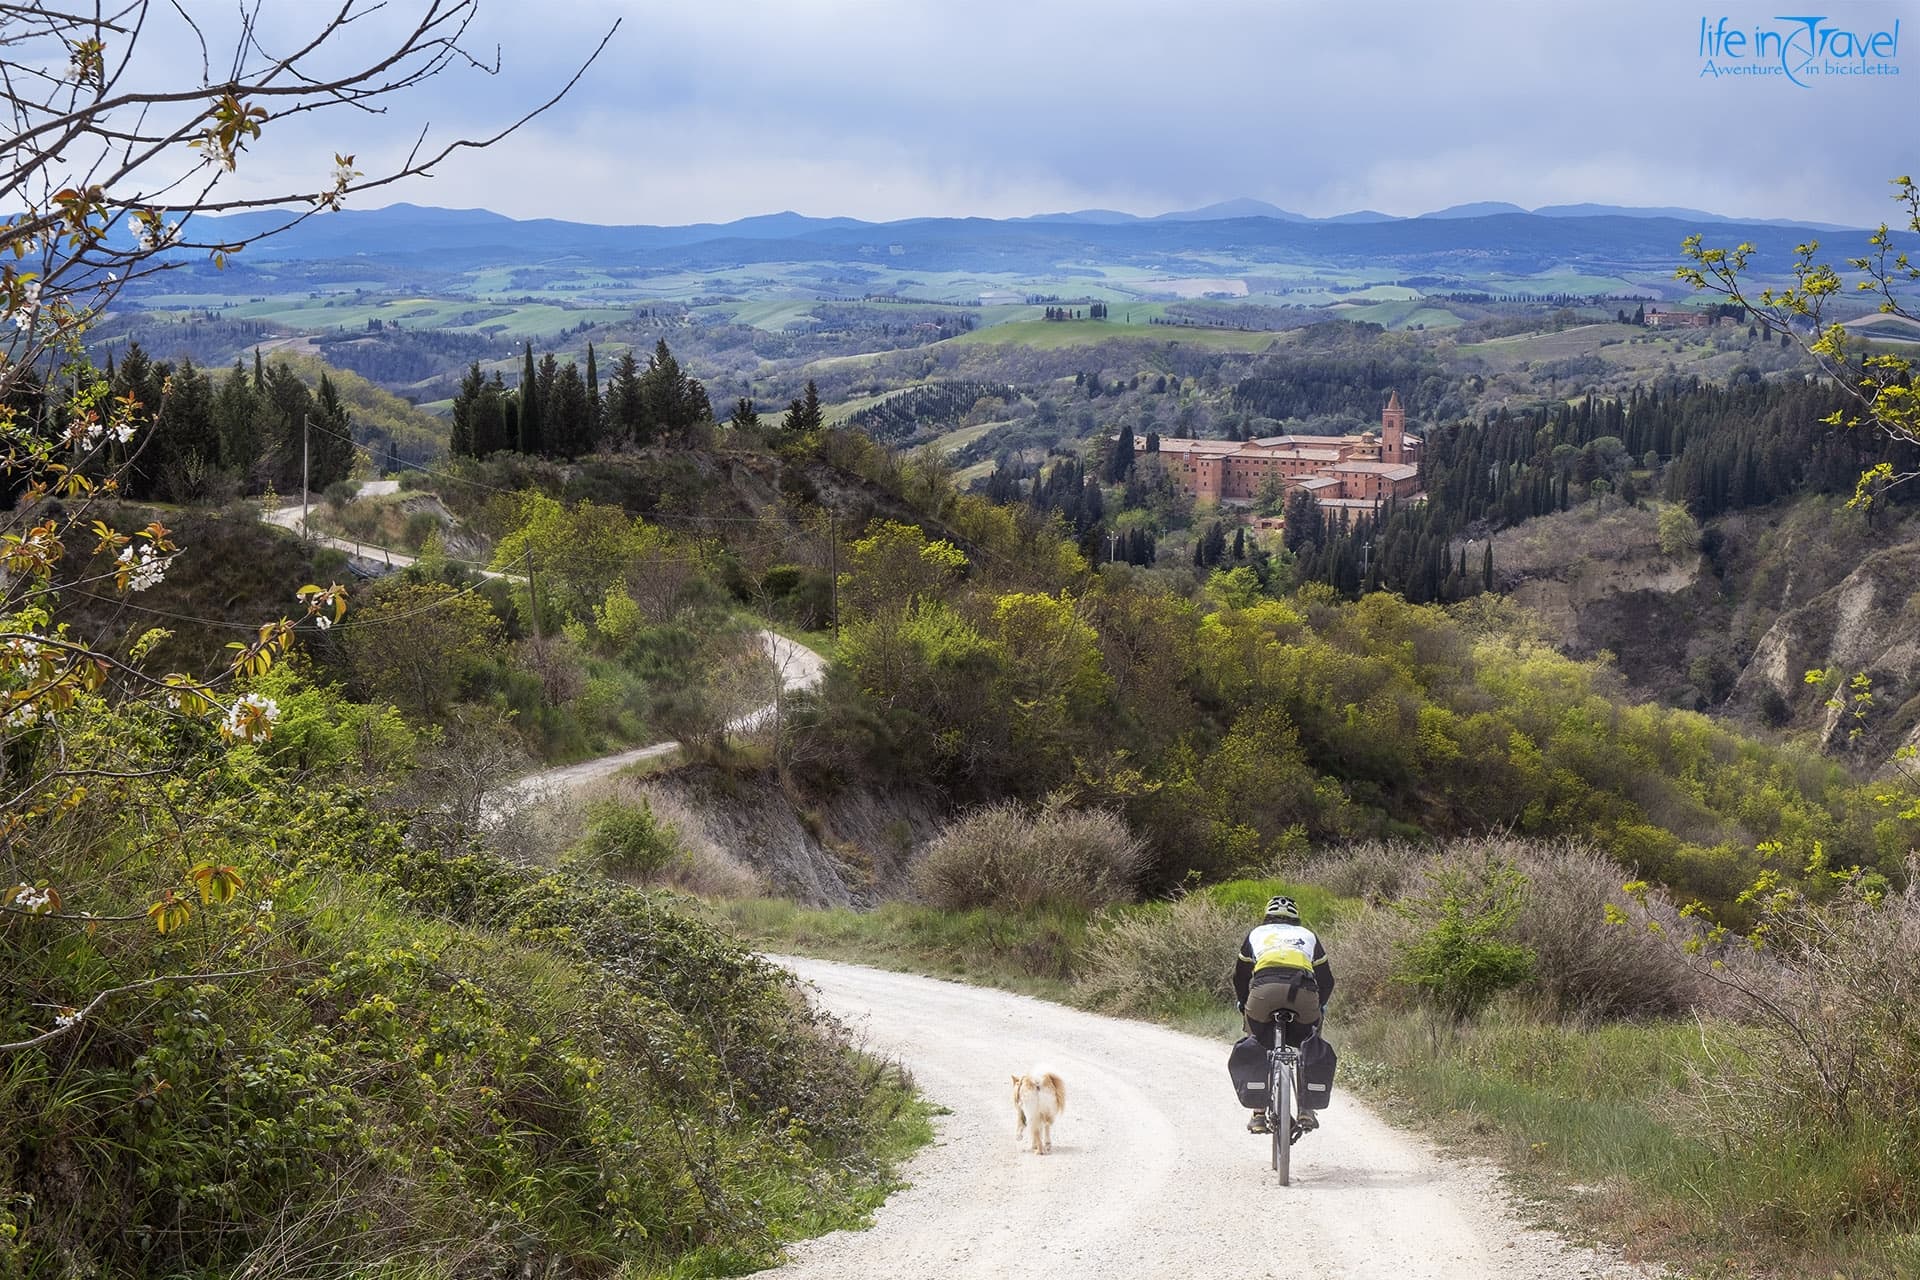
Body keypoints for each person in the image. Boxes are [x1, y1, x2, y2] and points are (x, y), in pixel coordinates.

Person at [1233, 894, 1334, 1134]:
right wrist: (1320, 1007)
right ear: (1296, 919)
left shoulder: (1256, 934)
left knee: (1256, 1041)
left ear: (1266, 917)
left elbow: (1240, 976)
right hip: (1303, 993)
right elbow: (1327, 980)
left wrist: (1243, 1004)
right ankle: (1307, 1109)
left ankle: (1258, 1114)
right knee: (1308, 1040)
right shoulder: (1308, 935)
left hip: (1263, 993)